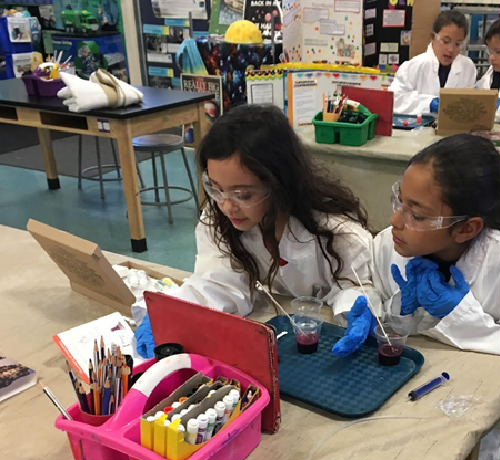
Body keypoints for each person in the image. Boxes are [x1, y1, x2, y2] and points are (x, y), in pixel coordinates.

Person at [365, 133, 500, 460]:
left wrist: (464, 317)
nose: (395, 220)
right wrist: (368, 305)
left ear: (467, 228)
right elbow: (371, 286)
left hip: (461, 411)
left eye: (416, 214)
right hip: (388, 388)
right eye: (399, 200)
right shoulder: (388, 243)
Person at [135, 104, 379, 358]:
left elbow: (358, 285)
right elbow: (219, 281)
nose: (227, 205)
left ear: (278, 182)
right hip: (277, 332)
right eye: (215, 188)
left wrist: (355, 307)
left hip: (323, 342)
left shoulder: (334, 230)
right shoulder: (219, 218)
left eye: (243, 194)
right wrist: (172, 316)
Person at [389, 10, 476, 115]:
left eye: (457, 44)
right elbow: (395, 99)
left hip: (454, 128)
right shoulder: (414, 66)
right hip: (417, 129)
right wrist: (428, 104)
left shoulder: (467, 67)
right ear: (433, 37)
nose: (451, 50)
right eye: (446, 41)